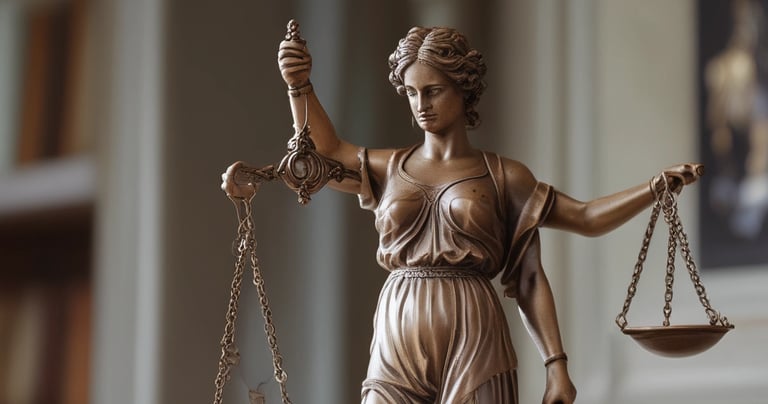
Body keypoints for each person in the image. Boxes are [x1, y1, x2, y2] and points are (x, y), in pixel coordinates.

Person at [221, 25, 702, 404]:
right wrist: (299, 86)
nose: (421, 105)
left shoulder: (504, 176)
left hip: (474, 331)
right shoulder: (391, 167)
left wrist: (654, 189)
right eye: (411, 93)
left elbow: (576, 228)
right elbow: (323, 154)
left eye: (433, 91)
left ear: (463, 89)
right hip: (397, 327)